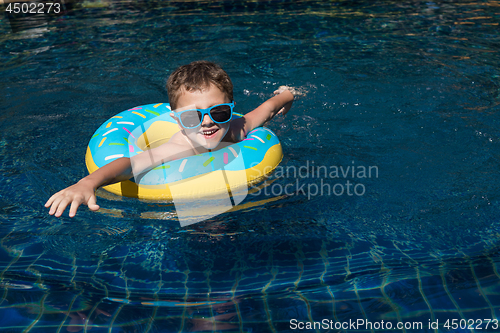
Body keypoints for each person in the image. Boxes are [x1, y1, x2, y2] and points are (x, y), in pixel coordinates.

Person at [45, 60, 295, 217]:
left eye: (219, 112)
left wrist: (287, 95)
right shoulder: (179, 147)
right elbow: (130, 164)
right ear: (175, 119)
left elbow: (268, 109)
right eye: (191, 117)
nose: (207, 122)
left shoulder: (237, 129)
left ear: (231, 109)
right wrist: (87, 183)